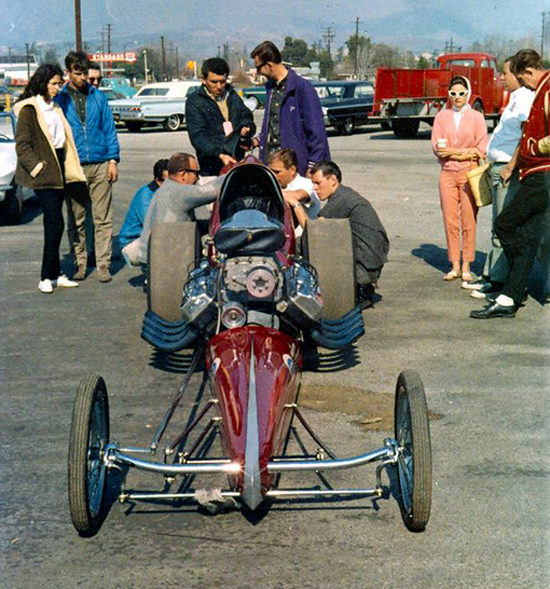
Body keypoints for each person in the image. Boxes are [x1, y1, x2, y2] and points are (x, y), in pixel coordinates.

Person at [471, 49, 550, 319]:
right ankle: (510, 297)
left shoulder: (547, 89)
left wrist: (533, 147)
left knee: (505, 224)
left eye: (523, 78)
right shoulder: (540, 89)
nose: (524, 84)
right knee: (524, 234)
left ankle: (516, 283)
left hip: (543, 176)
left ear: (529, 72)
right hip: (536, 175)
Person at [465, 58, 534, 299]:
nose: (501, 77)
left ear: (518, 74)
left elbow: (525, 136)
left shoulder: (525, 99)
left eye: (505, 73)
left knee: (503, 225)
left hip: (506, 168)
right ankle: (492, 275)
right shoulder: (514, 98)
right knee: (497, 224)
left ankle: (498, 280)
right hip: (497, 165)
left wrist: (510, 167)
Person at [14, 64, 86, 294]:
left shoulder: (54, 107)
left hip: (60, 167)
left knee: (56, 223)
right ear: (42, 83)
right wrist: (37, 168)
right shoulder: (29, 109)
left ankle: (55, 275)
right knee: (55, 222)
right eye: (54, 84)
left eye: (59, 83)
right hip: (44, 172)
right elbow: (22, 145)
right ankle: (46, 276)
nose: (58, 88)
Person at [55, 51, 120, 283]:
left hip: (100, 163)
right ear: (68, 73)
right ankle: (80, 263)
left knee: (103, 218)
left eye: (85, 73)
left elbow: (109, 129)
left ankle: (103, 264)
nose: (82, 78)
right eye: (78, 73)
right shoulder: (60, 99)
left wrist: (113, 160)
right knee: (77, 218)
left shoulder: (98, 97)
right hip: (74, 166)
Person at [287, 160, 389, 304]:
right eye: (313, 184)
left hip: (365, 266)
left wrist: (295, 203)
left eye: (318, 183)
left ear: (333, 180)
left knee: (306, 243)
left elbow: (313, 231)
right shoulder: (344, 194)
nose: (315, 188)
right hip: (368, 261)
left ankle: (358, 292)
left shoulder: (342, 198)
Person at [431, 75, 488, 283]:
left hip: (469, 173)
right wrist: (461, 153)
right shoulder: (441, 116)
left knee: (469, 219)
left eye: (461, 93)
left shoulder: (477, 117)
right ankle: (454, 264)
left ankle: (467, 265)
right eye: (453, 93)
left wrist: (455, 153)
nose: (457, 97)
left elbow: (481, 148)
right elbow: (438, 147)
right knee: (450, 219)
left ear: (468, 94)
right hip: (447, 173)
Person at [250, 40, 330, 176]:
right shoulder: (271, 89)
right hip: (273, 168)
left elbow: (317, 132)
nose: (258, 72)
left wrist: (313, 166)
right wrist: (258, 140)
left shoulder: (302, 88)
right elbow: (273, 124)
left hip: (296, 169)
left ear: (269, 65)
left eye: (259, 68)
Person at [135, 153, 222, 264]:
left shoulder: (167, 187)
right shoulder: (177, 192)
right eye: (196, 173)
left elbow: (186, 226)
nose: (197, 178)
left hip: (153, 256)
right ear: (182, 173)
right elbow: (210, 191)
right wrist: (235, 172)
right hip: (162, 262)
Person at [185, 57, 255, 176]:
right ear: (203, 80)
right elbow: (198, 136)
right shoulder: (195, 101)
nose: (219, 86)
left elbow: (246, 115)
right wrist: (220, 154)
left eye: (222, 82)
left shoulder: (232, 95)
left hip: (236, 161)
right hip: (211, 166)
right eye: (214, 82)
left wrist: (247, 128)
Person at [118, 158, 169, 265]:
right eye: (166, 181)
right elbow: (151, 224)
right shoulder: (145, 195)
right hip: (132, 242)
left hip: (148, 237)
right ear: (157, 180)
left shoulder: (168, 193)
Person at [268, 148, 320, 236]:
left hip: (305, 239)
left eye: (277, 172)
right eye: (271, 171)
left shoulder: (307, 184)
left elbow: (297, 195)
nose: (273, 175)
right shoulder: (276, 186)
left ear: (292, 169)